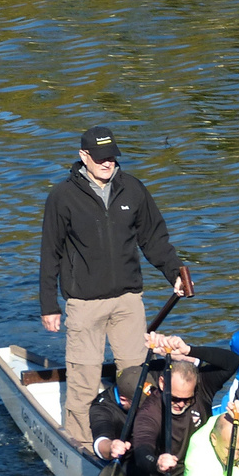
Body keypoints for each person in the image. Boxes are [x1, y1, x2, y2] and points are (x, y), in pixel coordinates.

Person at [39, 125, 187, 453]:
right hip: (84, 304)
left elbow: (155, 239)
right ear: (83, 157)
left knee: (138, 378)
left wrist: (174, 272)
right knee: (84, 382)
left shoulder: (132, 190)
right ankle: (79, 448)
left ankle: (142, 443)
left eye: (112, 157)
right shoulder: (62, 197)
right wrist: (49, 304)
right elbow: (50, 252)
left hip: (128, 301)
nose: (108, 163)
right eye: (101, 158)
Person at [128, 335, 239, 476]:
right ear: (162, 383)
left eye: (186, 399)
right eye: (174, 398)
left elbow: (232, 361)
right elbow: (142, 450)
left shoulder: (202, 388)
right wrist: (157, 462)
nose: (180, 404)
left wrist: (189, 351)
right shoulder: (150, 412)